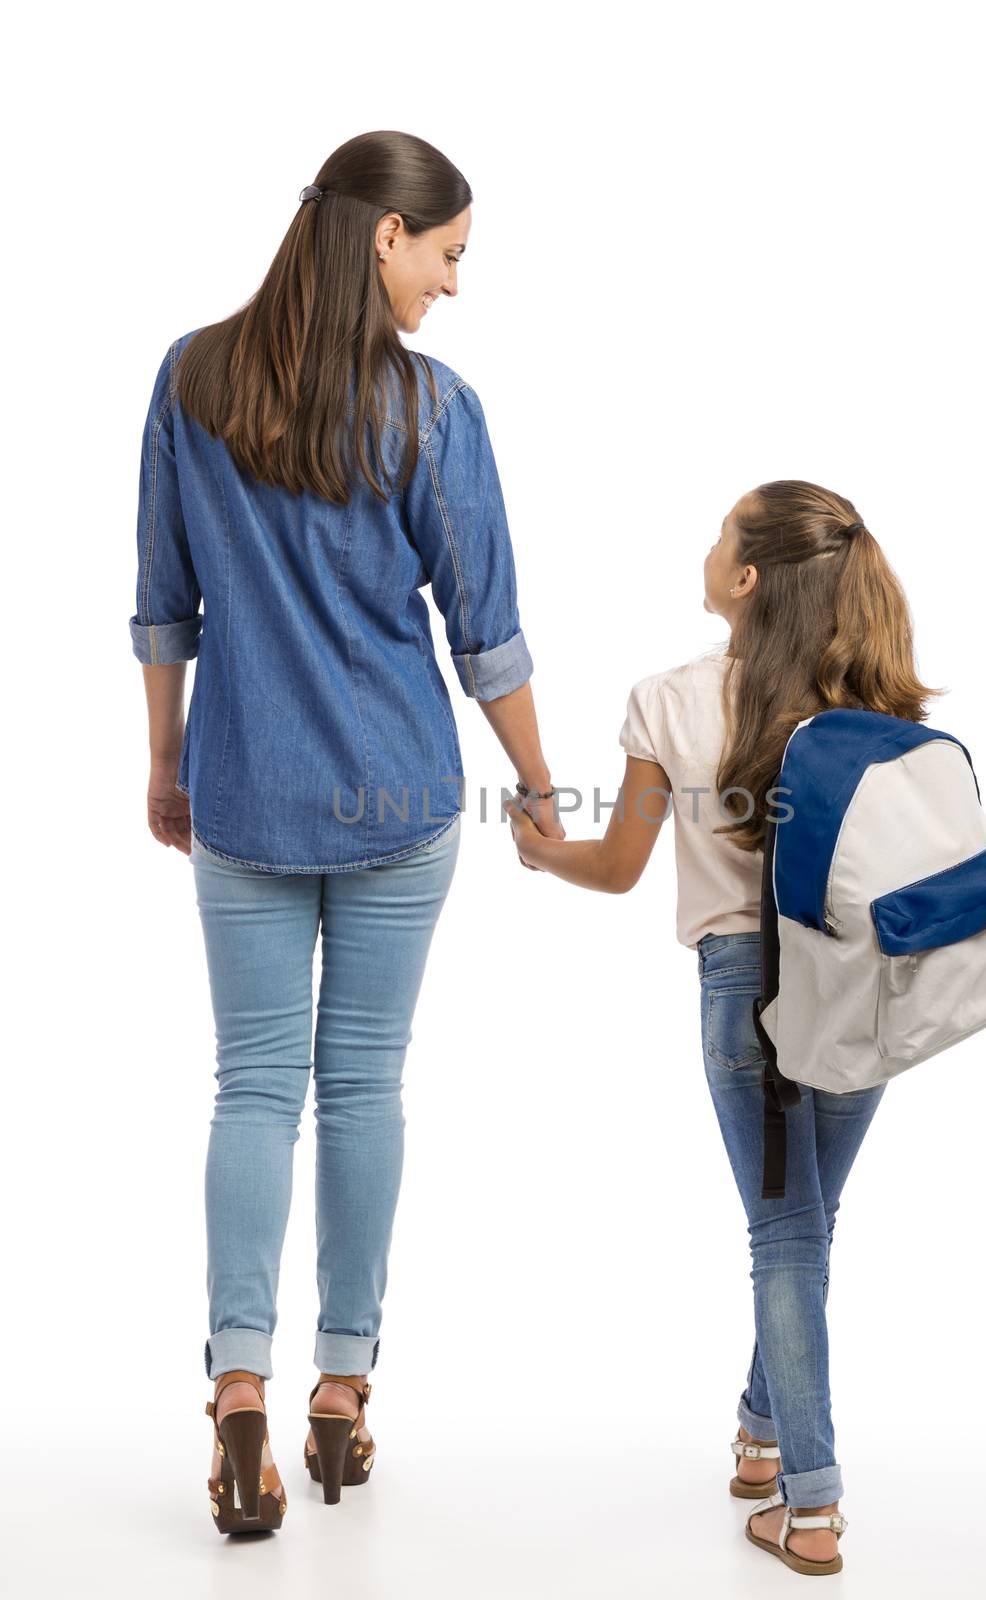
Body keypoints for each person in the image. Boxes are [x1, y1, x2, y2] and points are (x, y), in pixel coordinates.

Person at [129, 130, 564, 1530]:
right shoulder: (432, 410)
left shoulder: (192, 379)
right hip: (397, 796)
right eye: (448, 255)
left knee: (254, 1088)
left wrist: (165, 763)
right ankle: (342, 1397)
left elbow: (163, 604)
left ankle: (237, 1397)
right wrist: (543, 788)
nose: (453, 285)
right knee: (362, 1088)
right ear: (384, 235)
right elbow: (483, 629)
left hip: (243, 789)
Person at [505, 479, 941, 1577]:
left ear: (746, 580)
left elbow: (615, 870)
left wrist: (537, 845)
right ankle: (759, 1431)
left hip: (743, 982)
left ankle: (809, 1504)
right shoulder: (874, 706)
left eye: (719, 537)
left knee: (784, 1234)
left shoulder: (669, 699)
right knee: (805, 1225)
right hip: (864, 984)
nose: (705, 548)